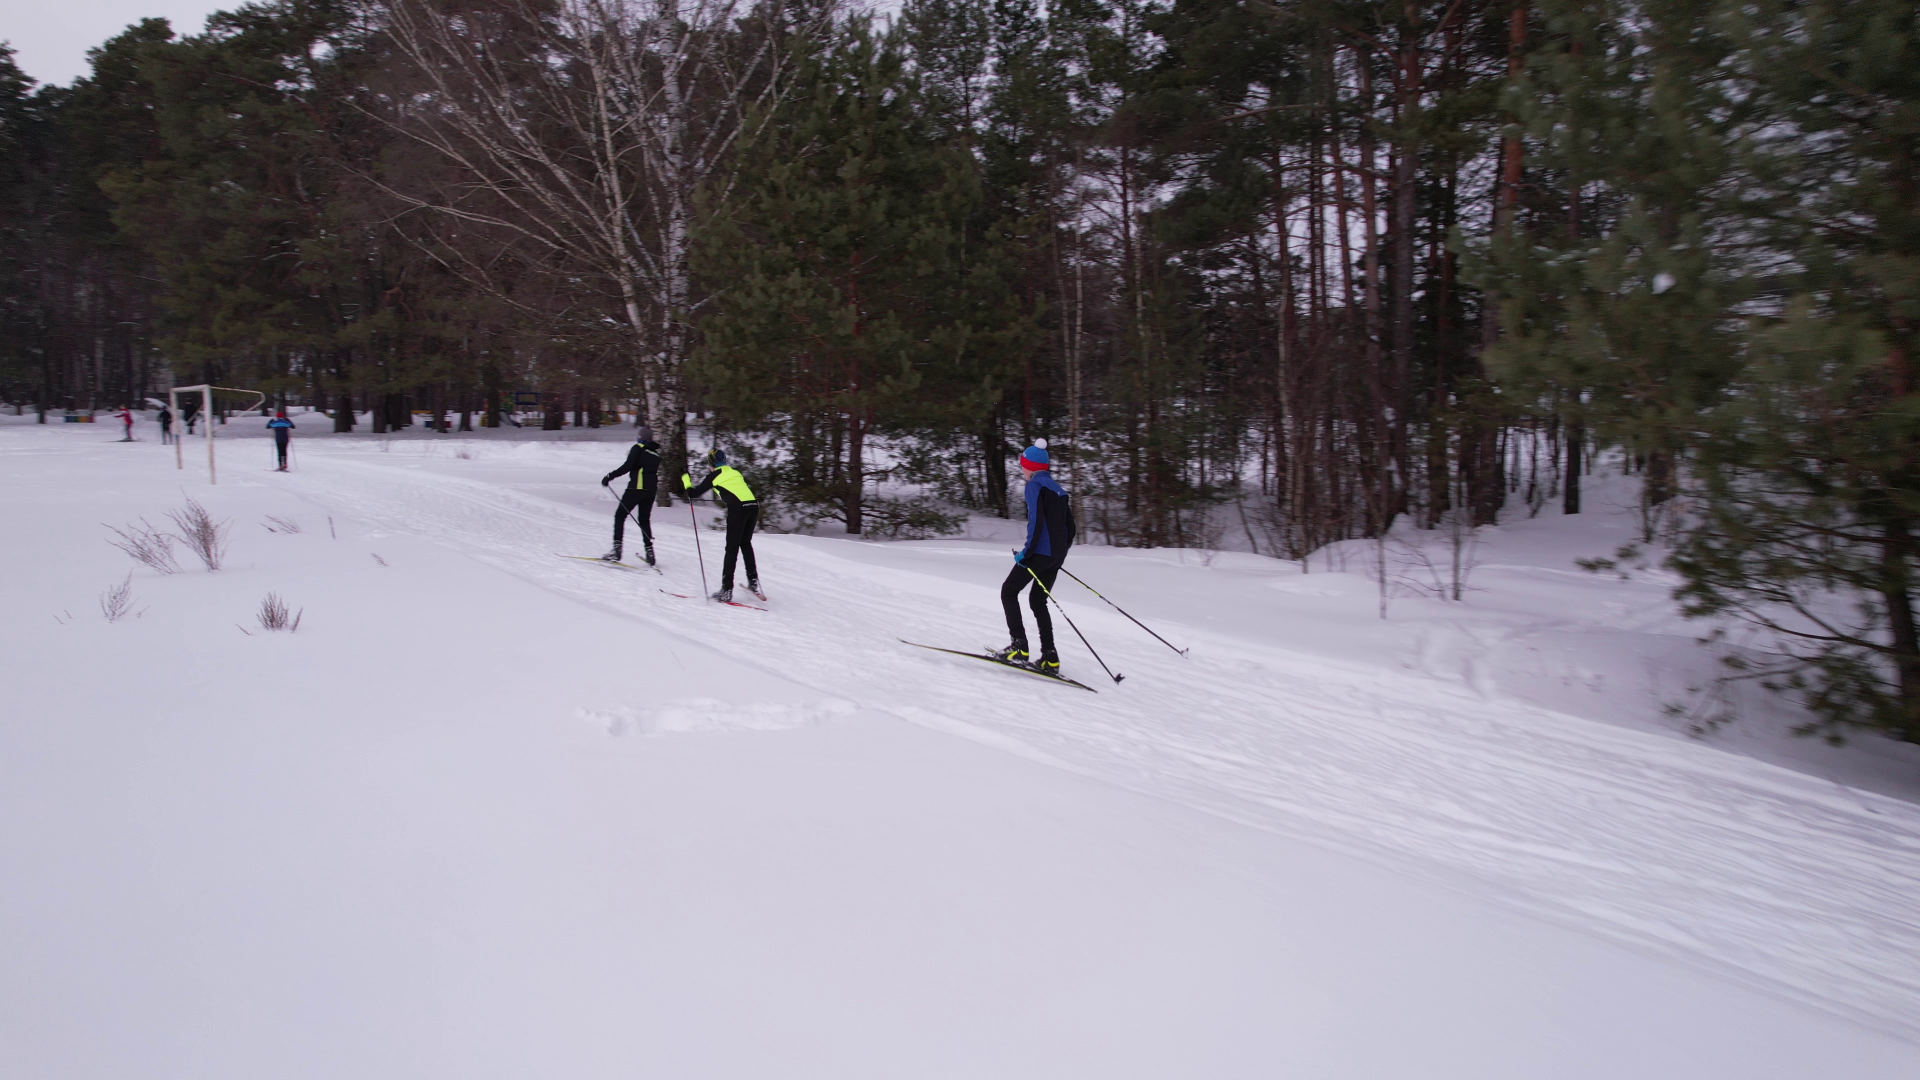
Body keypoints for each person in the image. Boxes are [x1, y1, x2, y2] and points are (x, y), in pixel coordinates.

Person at [996, 438, 1076, 676]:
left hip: (1039, 553)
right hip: (1055, 555)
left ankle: (1019, 647)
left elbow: (1036, 521)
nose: (1022, 469)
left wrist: (1026, 553)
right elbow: (1071, 528)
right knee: (1038, 601)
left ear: (1030, 466)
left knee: (1008, 591)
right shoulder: (1059, 489)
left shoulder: (1034, 486)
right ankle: (1050, 658)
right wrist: (1059, 553)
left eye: (1023, 465)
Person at [681, 448, 763, 603]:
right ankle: (753, 582)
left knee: (731, 549)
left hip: (738, 510)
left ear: (711, 463)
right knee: (745, 543)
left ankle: (726, 590)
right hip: (753, 507)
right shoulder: (735, 472)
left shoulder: (714, 476)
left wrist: (685, 478)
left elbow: (692, 494)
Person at [599, 425, 662, 565]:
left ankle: (616, 550)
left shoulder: (638, 448)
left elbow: (627, 466)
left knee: (620, 515)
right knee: (644, 520)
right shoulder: (656, 454)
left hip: (636, 488)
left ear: (640, 438)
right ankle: (650, 553)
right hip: (651, 491)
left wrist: (610, 476)